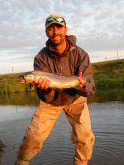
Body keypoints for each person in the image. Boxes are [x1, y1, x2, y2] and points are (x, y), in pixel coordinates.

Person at [16, 14, 95, 165]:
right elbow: (43, 94)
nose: (55, 32)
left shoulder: (81, 54)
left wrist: (83, 86)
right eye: (50, 29)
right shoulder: (40, 58)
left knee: (85, 137)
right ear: (46, 32)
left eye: (58, 27)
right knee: (33, 137)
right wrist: (45, 89)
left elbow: (91, 88)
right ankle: (21, 162)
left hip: (75, 99)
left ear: (65, 29)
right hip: (51, 102)